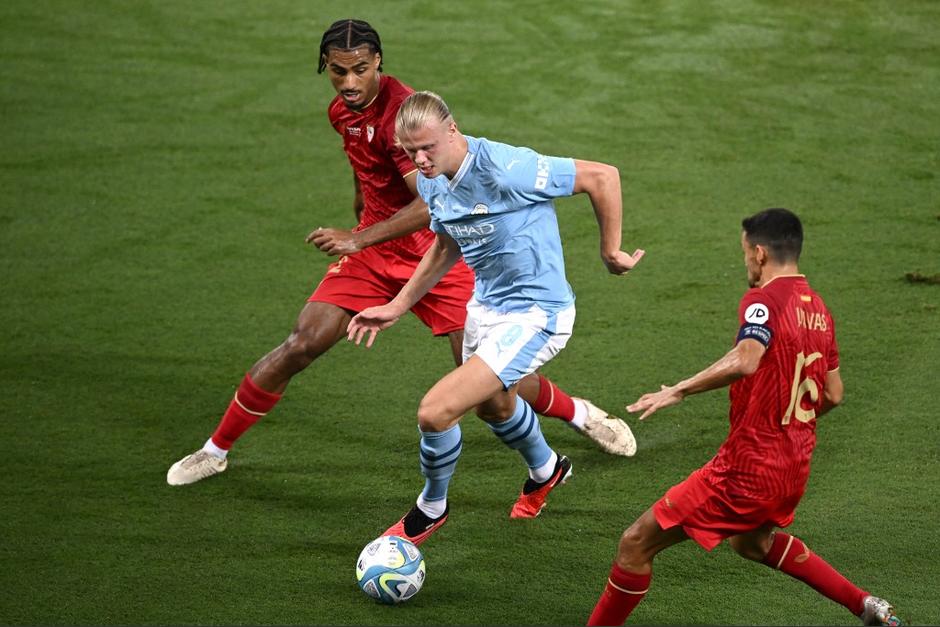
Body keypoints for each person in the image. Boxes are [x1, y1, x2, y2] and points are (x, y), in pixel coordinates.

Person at [166, 19, 636, 486]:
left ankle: (579, 413)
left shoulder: (404, 123)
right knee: (304, 341)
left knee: (485, 382)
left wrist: (360, 237)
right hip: (375, 249)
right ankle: (215, 450)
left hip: (435, 251)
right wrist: (361, 212)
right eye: (337, 71)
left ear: (379, 64)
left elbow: (429, 203)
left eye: (360, 70)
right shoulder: (342, 111)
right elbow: (363, 163)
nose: (349, 83)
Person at [347, 91, 646, 545]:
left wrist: (610, 251)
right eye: (410, 153)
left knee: (436, 411)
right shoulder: (433, 180)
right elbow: (447, 244)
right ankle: (547, 469)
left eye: (428, 147)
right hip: (485, 308)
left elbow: (602, 176)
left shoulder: (507, 169)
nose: (421, 160)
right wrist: (398, 304)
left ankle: (432, 507)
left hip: (536, 315)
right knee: (494, 405)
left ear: (453, 129)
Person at [586, 209, 901, 626]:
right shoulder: (820, 311)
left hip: (748, 468)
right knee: (753, 544)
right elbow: (834, 394)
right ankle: (866, 605)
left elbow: (747, 359)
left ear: (759, 253)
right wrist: (789, 423)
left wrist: (678, 389)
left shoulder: (764, 301)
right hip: (794, 467)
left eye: (744, 254)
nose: (746, 264)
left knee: (635, 544)